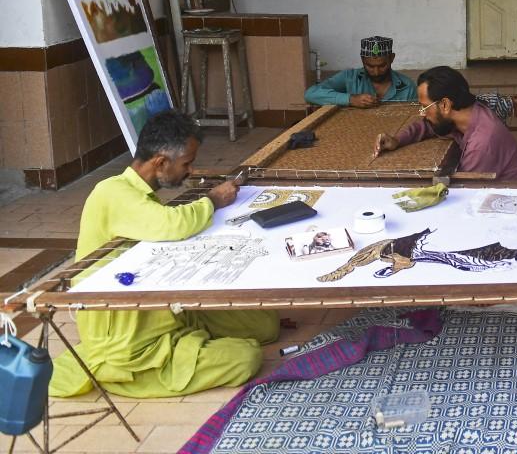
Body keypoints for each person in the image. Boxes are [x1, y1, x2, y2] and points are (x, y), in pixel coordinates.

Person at [49, 111, 279, 399]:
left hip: (165, 313)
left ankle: (195, 341)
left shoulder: (139, 194)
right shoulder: (111, 192)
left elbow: (166, 228)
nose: (191, 171)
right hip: (129, 340)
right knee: (246, 357)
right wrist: (213, 200)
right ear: (160, 162)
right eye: (187, 163)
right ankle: (116, 374)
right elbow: (173, 224)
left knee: (266, 324)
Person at [373, 66, 517, 180]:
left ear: (445, 105)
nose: (421, 113)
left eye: (425, 107)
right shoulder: (465, 114)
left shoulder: (482, 143)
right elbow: (426, 125)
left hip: (511, 201)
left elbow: (465, 191)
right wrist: (398, 140)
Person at [304, 35, 417, 107]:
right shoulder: (349, 78)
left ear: (392, 58)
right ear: (362, 60)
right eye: (370, 66)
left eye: (382, 66)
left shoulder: (407, 86)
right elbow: (310, 94)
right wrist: (351, 99)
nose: (376, 72)